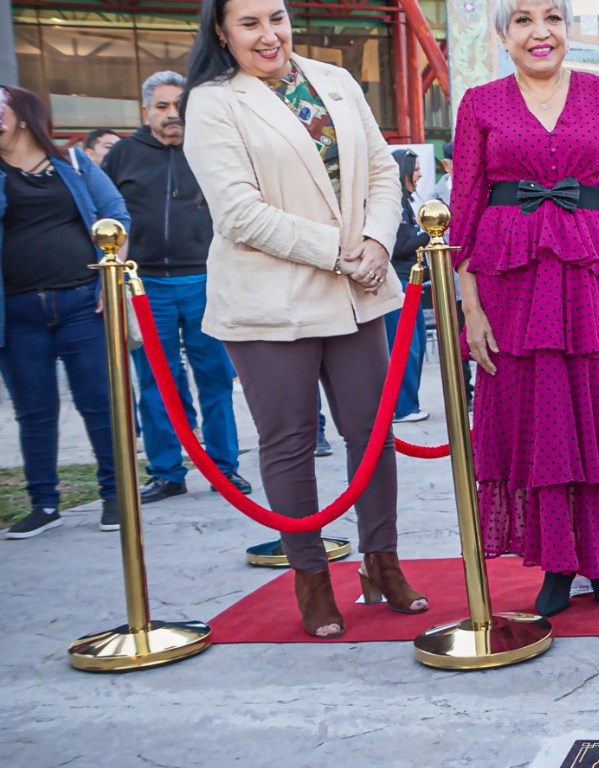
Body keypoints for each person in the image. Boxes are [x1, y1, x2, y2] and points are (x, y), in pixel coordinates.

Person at [183, 0, 428, 638]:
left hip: (358, 290)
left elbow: (383, 171)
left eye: (277, 17)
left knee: (371, 435)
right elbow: (239, 213)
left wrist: (378, 241)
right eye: (250, 23)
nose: (269, 35)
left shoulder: (334, 79)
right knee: (289, 442)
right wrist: (343, 252)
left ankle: (382, 562)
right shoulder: (212, 102)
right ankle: (311, 577)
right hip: (271, 300)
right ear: (221, 33)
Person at [452, 0, 599, 617]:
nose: (541, 32)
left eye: (553, 18)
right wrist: (470, 309)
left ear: (567, 28)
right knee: (536, 419)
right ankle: (557, 563)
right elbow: (465, 210)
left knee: (595, 416)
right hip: (510, 284)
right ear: (503, 35)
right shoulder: (479, 103)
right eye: (524, 20)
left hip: (593, 280)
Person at [102, 71, 253, 505]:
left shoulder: (211, 148)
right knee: (155, 382)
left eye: (179, 106)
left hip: (206, 280)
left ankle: (225, 468)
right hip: (145, 285)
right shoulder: (122, 156)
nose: (172, 114)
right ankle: (166, 471)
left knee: (216, 377)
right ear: (145, 111)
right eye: (163, 106)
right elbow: (104, 215)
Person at [0, 85, 127, 539]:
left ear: (23, 115)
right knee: (34, 411)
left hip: (81, 303)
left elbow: (116, 215)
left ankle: (115, 496)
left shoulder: (73, 163)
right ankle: (44, 503)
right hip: (16, 313)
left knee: (99, 403)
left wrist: (110, 278)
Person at [384, 147, 429, 424]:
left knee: (417, 346)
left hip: (411, 283)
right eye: (416, 168)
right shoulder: (394, 205)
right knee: (405, 348)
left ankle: (408, 404)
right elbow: (399, 247)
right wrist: (430, 234)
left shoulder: (406, 202)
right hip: (399, 283)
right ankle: (402, 407)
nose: (420, 174)